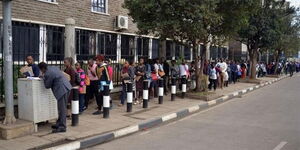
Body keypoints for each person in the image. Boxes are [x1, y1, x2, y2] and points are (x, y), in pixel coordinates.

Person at [38, 62, 72, 133]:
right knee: (61, 107)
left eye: (41, 70)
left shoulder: (47, 73)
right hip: (67, 87)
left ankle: (62, 126)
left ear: (43, 69)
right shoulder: (53, 67)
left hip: (62, 90)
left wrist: (43, 77)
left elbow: (47, 86)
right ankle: (59, 123)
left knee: (62, 109)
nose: (41, 72)